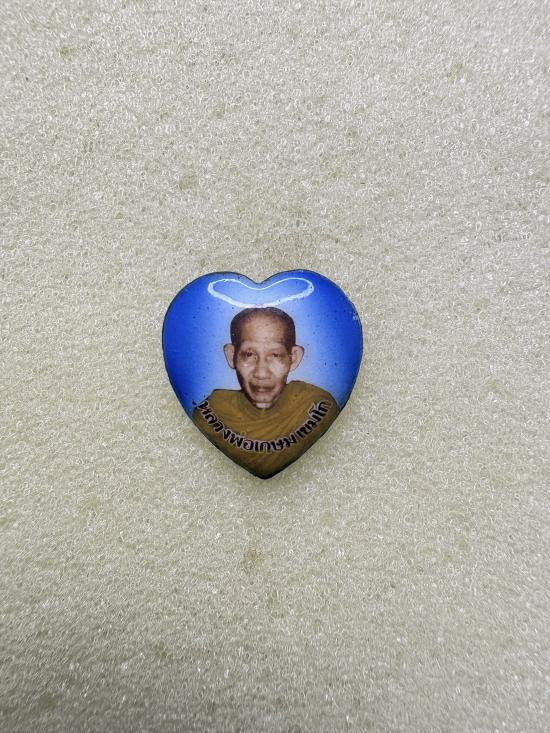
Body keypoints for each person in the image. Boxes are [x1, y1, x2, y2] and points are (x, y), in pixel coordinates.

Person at [192, 306, 340, 478]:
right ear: (231, 356)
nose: (261, 373)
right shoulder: (214, 411)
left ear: (294, 358)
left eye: (275, 355)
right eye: (249, 354)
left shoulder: (315, 405)